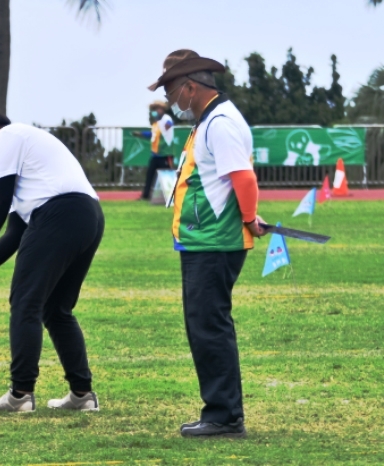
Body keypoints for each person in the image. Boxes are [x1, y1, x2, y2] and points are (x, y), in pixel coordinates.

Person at [147, 49, 266, 438]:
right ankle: (222, 412)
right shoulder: (211, 120)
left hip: (215, 243)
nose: (170, 100)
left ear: (190, 87)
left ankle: (224, 415)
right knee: (206, 325)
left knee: (209, 326)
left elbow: (243, 178)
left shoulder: (220, 122)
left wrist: (248, 217)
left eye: (171, 90)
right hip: (205, 241)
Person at [0, 108, 104, 413]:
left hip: (60, 214)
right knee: (56, 309)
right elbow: (15, 233)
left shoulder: (8, 136)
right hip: (87, 216)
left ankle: (20, 394)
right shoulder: (29, 171)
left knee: (25, 302)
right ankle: (82, 395)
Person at [132, 101, 175, 200]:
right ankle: (145, 195)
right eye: (154, 110)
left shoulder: (166, 119)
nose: (155, 112)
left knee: (169, 175)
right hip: (155, 154)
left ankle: (172, 196)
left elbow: (169, 123)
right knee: (150, 175)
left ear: (162, 110)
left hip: (165, 153)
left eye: (157, 109)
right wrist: (140, 134)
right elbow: (152, 134)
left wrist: (167, 126)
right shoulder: (156, 124)